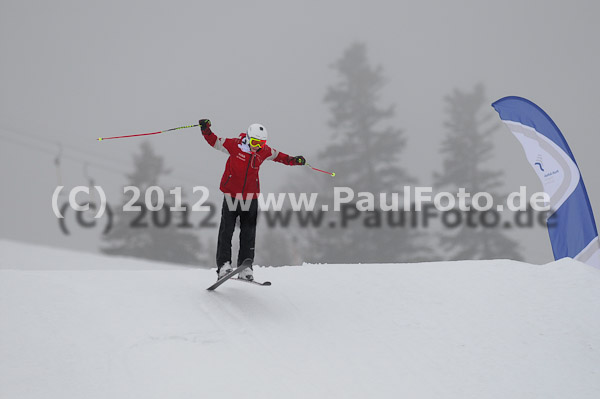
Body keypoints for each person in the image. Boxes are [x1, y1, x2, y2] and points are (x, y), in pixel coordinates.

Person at [199, 119, 306, 281]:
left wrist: (294, 160)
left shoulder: (263, 151)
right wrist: (206, 129)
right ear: (248, 138)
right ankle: (224, 266)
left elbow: (279, 156)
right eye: (255, 142)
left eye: (261, 143)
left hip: (251, 197)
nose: (258, 146)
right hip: (231, 195)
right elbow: (214, 141)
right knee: (227, 231)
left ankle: (245, 267)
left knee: (248, 232)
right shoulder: (234, 145)